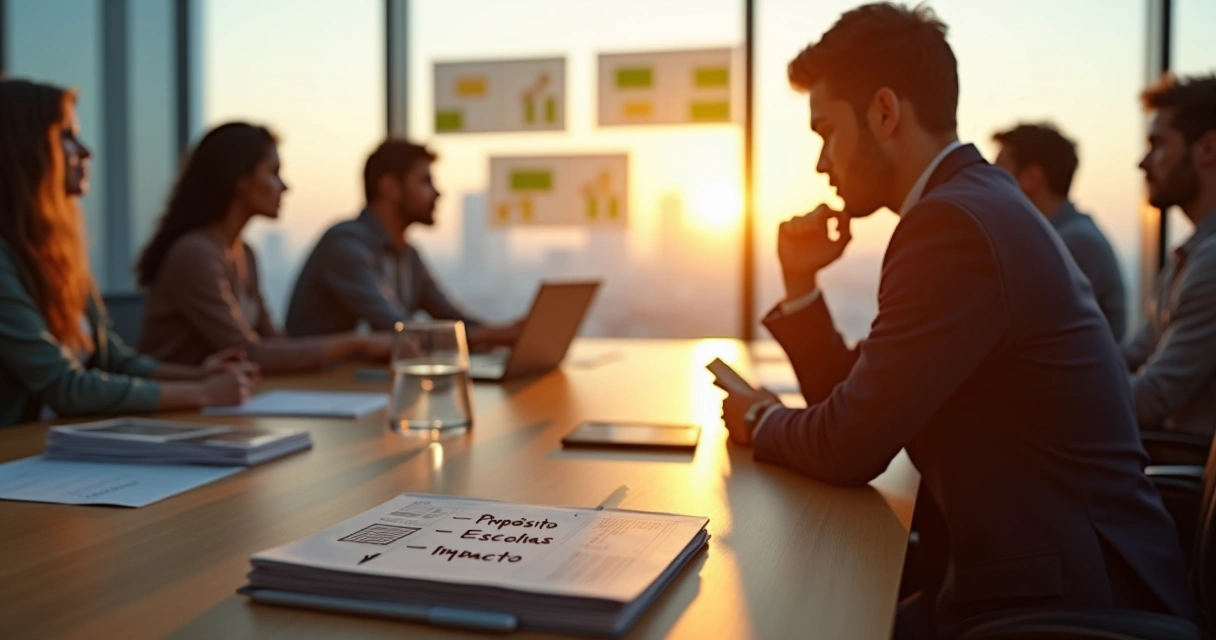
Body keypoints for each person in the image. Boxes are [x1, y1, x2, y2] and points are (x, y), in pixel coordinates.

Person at [711, 4, 1195, 634]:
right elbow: (859, 403)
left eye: (826, 131)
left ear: (885, 112)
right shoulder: (973, 202)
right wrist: (801, 284)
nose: (821, 163)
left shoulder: (951, 226)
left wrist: (760, 419)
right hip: (1030, 578)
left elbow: (849, 445)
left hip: (1072, 602)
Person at [0, 79, 256, 427]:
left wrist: (200, 375)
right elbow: (66, 388)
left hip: (55, 442)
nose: (86, 151)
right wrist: (205, 393)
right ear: (23, 149)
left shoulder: (56, 254)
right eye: (67, 136)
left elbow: (113, 360)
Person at [136, 123, 392, 373]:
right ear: (241, 180)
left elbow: (275, 344)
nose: (285, 187)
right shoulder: (195, 254)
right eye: (273, 172)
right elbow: (247, 352)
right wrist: (358, 342)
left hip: (228, 396)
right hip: (182, 397)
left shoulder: (244, 253)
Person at [284, 139, 520, 347]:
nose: (437, 193)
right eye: (425, 181)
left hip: (356, 378)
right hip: (320, 381)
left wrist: (507, 333)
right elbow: (399, 330)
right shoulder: (345, 246)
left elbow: (449, 315)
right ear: (390, 187)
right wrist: (495, 336)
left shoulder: (407, 254)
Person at [1124, 73, 1216, 436]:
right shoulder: (1189, 255)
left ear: (1208, 148)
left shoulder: (1211, 262)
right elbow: (1135, 353)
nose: (1143, 163)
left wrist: (1053, 398)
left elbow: (1153, 398)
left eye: (1158, 144)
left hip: (1182, 464)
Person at [992, 122, 1126, 339]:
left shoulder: (1071, 243)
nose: (990, 185)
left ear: (1032, 178)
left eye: (1000, 173)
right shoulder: (1062, 236)